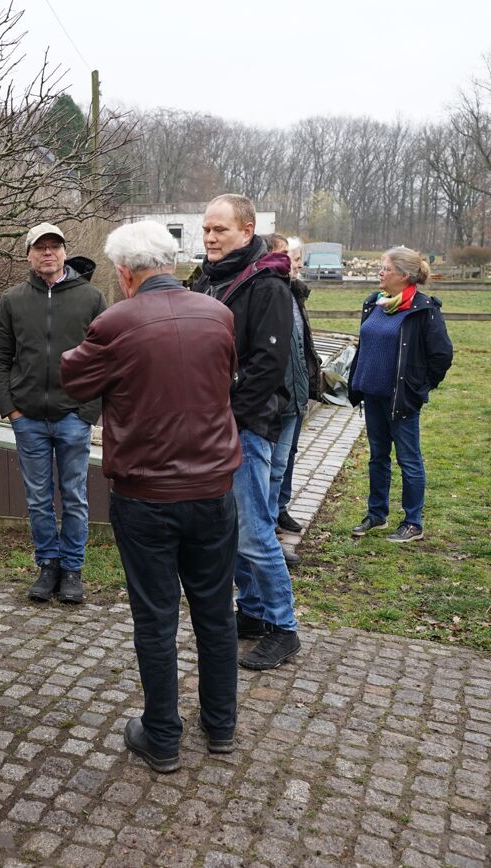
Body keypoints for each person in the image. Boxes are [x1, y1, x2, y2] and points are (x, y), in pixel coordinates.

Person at [62, 221, 241, 774]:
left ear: (123, 272)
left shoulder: (114, 323)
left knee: (157, 616)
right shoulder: (218, 314)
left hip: (147, 495)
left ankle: (162, 735)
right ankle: (221, 724)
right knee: (215, 610)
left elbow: (73, 379)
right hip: (214, 489)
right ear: (171, 261)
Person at [191, 194, 300, 671]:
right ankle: (252, 613)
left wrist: (230, 418)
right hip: (211, 426)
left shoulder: (266, 284)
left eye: (221, 230)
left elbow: (267, 365)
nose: (211, 238)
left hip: (244, 428)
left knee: (255, 532)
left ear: (248, 229)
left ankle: (284, 627)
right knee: (230, 530)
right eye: (207, 230)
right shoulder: (208, 280)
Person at [0, 222, 106, 605]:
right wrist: (12, 409)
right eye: (40, 248)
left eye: (54, 247)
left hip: (74, 416)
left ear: (65, 252)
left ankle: (72, 568)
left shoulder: (90, 297)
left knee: (73, 496)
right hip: (30, 419)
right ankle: (47, 564)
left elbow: (106, 358)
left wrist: (88, 410)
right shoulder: (14, 299)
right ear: (28, 255)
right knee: (38, 498)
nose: (48, 253)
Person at [348, 245, 453, 543]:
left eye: (386, 269)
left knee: (409, 459)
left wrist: (418, 387)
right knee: (377, 456)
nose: (380, 273)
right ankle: (377, 514)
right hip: (372, 394)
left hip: (401, 398)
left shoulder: (424, 309)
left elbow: (442, 355)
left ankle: (413, 522)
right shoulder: (375, 303)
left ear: (405, 276)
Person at [273, 236, 322, 549]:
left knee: (287, 457)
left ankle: (280, 509)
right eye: (295, 257)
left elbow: (303, 345)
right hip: (279, 395)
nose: (301, 264)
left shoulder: (295, 293)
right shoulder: (272, 294)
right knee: (275, 462)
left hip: (297, 391)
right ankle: (268, 517)